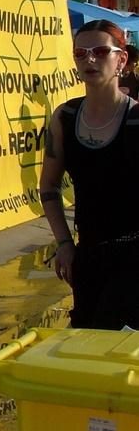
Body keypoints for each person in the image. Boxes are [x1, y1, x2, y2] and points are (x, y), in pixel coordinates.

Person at [40, 19, 139, 329]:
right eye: (80, 53)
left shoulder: (136, 118)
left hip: (134, 255)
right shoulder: (65, 117)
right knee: (86, 337)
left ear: (121, 59)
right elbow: (49, 187)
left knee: (115, 340)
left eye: (100, 51)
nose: (90, 60)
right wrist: (64, 244)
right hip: (88, 254)